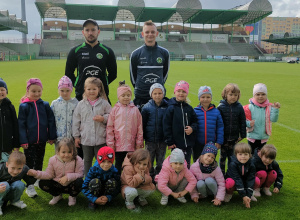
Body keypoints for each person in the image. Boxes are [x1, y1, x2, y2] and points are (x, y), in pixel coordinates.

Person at [18, 78, 56, 198]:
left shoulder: (44, 105)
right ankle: (29, 185)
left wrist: (51, 136)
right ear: (28, 91)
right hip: (29, 141)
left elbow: (51, 121)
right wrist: (23, 140)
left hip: (42, 140)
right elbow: (21, 125)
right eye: (33, 91)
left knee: (39, 161)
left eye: (39, 91)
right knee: (29, 163)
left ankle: (37, 180)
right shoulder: (24, 106)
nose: (36, 94)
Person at [65, 19, 117, 103]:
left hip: (102, 97)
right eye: (87, 30)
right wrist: (79, 85)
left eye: (93, 30)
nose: (90, 33)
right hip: (81, 97)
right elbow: (68, 73)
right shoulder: (75, 51)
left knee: (103, 116)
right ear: (83, 32)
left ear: (98, 31)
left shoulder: (107, 51)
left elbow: (113, 74)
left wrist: (102, 84)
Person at [27, 138, 84, 206]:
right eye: (63, 152)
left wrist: (68, 177)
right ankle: (57, 195)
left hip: (71, 185)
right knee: (42, 183)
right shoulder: (53, 160)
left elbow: (80, 174)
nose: (66, 155)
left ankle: (72, 196)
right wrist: (36, 173)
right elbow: (49, 175)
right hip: (57, 184)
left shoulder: (78, 159)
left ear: (74, 151)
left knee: (79, 182)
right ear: (58, 151)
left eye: (69, 152)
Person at [72, 77, 112, 176]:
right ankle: (87, 179)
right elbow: (76, 121)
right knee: (87, 161)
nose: (91, 91)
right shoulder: (81, 104)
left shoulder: (104, 103)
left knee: (101, 161)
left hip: (100, 139)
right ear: (85, 89)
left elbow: (112, 116)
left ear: (99, 89)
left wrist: (103, 118)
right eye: (89, 89)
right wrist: (76, 136)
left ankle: (100, 179)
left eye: (94, 89)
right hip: (86, 139)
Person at [130, 20, 170, 108]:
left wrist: (158, 87)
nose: (150, 34)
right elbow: (133, 77)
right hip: (141, 96)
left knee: (157, 121)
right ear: (142, 34)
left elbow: (165, 74)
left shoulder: (164, 53)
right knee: (140, 121)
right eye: (147, 32)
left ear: (157, 33)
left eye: (152, 32)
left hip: (158, 96)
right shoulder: (135, 54)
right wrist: (140, 88)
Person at [106, 81, 143, 174]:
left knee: (131, 165)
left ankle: (129, 182)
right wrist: (111, 143)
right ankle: (117, 182)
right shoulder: (115, 110)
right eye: (123, 95)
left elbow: (139, 127)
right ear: (119, 97)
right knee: (118, 164)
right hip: (118, 145)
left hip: (132, 145)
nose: (126, 97)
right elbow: (110, 128)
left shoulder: (135, 110)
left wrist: (139, 142)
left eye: (128, 95)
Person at [163, 81, 198, 167]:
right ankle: (175, 180)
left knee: (186, 164)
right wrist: (170, 142)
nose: (181, 93)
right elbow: (166, 125)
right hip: (176, 144)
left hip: (188, 144)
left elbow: (195, 121)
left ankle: (186, 180)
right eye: (179, 91)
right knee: (176, 164)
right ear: (175, 92)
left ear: (187, 93)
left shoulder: (189, 108)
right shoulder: (171, 108)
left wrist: (192, 128)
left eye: (184, 91)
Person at [217, 83, 246, 175]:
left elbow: (242, 121)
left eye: (235, 95)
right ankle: (221, 174)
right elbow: (217, 124)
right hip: (224, 138)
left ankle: (230, 175)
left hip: (234, 138)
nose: (233, 97)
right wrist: (218, 137)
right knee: (222, 157)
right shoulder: (221, 107)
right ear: (225, 94)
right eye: (231, 94)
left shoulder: (239, 107)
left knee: (232, 158)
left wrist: (242, 134)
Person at [141, 83, 168, 180]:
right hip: (150, 140)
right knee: (149, 160)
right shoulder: (146, 108)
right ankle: (149, 177)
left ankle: (159, 178)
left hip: (162, 140)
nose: (157, 95)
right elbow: (142, 124)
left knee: (161, 161)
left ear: (163, 94)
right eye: (155, 93)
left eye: (160, 93)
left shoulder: (167, 106)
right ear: (151, 94)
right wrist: (142, 138)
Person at [243, 83, 280, 154]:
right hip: (252, 137)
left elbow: (274, 119)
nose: (260, 96)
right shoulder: (249, 107)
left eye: (263, 94)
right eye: (258, 94)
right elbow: (243, 121)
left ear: (266, 95)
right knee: (252, 156)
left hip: (263, 137)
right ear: (254, 95)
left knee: (262, 157)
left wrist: (275, 109)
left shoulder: (269, 107)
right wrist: (248, 123)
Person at [0, 151, 36, 216]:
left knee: (20, 184)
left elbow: (30, 181)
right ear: (7, 164)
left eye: (19, 168)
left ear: (23, 166)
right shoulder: (1, 168)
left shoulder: (25, 168)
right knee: (4, 185)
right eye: (13, 168)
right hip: (1, 190)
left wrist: (34, 174)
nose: (15, 172)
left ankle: (15, 201)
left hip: (10, 191)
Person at [50, 76, 80, 154]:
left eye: (67, 90)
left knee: (71, 156)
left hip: (72, 138)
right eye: (62, 90)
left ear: (71, 90)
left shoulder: (76, 103)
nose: (65, 93)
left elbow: (79, 120)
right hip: (58, 138)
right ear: (58, 90)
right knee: (59, 157)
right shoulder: (55, 103)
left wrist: (77, 136)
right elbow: (50, 121)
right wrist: (51, 136)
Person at [224, 143, 259, 208]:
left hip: (244, 182)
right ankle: (229, 194)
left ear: (249, 155)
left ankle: (250, 196)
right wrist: (243, 196)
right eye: (240, 154)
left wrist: (248, 195)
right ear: (236, 155)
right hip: (234, 182)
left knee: (256, 180)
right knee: (229, 182)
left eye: (246, 154)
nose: (243, 156)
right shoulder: (232, 164)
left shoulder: (251, 165)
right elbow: (237, 179)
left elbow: (250, 179)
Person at [194, 85, 224, 161]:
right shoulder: (195, 111)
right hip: (197, 143)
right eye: (203, 97)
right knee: (197, 161)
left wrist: (219, 141)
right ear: (199, 98)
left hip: (210, 144)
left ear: (211, 98)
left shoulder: (216, 112)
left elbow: (220, 127)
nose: (205, 99)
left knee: (209, 161)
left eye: (208, 97)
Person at [0, 78, 19, 155]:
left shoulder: (10, 107)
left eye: (2, 90)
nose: (0, 92)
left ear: (6, 92)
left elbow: (15, 125)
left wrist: (16, 144)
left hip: (7, 146)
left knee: (7, 166)